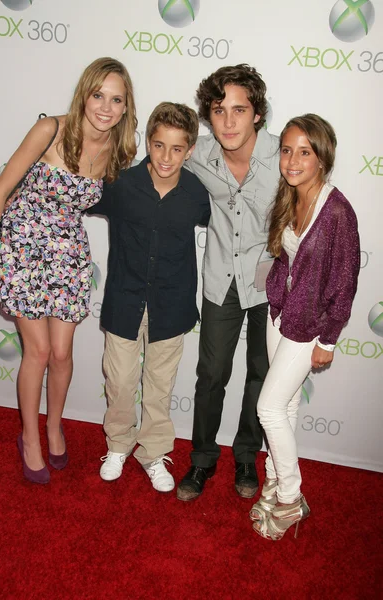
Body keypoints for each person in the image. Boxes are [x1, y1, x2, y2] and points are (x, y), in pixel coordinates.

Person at [0, 57, 137, 484]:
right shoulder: (50, 129)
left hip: (68, 251)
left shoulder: (118, 150)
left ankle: (54, 425)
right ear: (84, 93)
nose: (105, 107)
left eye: (116, 100)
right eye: (98, 95)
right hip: (23, 246)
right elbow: (0, 190)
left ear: (126, 108)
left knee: (64, 353)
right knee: (39, 352)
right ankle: (29, 437)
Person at [88, 102, 210, 492]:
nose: (166, 157)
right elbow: (74, 195)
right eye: (159, 146)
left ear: (190, 149)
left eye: (177, 149)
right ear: (147, 142)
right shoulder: (121, 184)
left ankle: (153, 452)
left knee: (160, 386)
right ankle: (119, 445)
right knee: (120, 381)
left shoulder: (197, 193)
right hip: (124, 299)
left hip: (172, 305)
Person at [250, 114, 360, 540]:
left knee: (268, 408)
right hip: (281, 310)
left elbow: (345, 281)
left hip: (309, 324)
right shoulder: (290, 194)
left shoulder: (337, 211)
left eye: (304, 152)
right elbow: (286, 258)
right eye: (286, 150)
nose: (292, 161)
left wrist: (328, 340)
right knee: (288, 406)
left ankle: (291, 498)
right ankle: (276, 480)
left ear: (322, 156)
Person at [177, 64, 280, 501]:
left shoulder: (284, 154)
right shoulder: (198, 153)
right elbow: (154, 161)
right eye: (219, 111)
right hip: (221, 280)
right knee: (211, 374)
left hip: (272, 284)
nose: (229, 121)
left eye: (240, 110)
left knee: (261, 375)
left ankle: (245, 454)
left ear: (258, 113)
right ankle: (202, 459)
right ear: (208, 115)